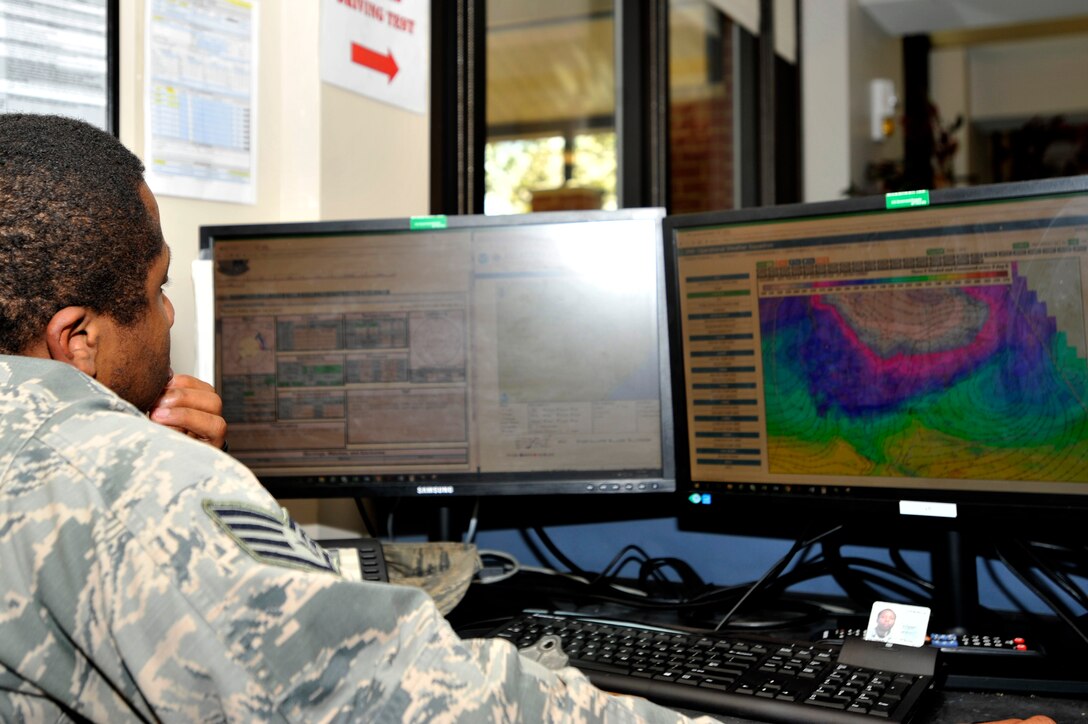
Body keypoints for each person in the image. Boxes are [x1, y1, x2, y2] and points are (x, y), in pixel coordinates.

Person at [0, 114, 715, 722]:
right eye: (157, 288)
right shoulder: (137, 492)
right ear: (78, 339)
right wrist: (159, 483)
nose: (170, 316)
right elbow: (412, 699)